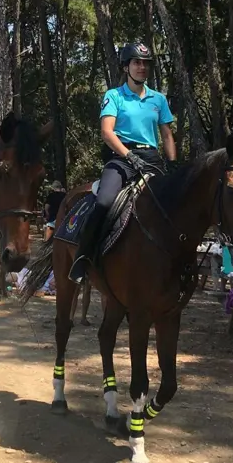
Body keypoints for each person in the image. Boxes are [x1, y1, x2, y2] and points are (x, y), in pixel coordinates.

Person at [69, 41, 176, 283]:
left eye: (146, 63)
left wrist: (173, 163)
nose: (142, 67)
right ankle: (83, 257)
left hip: (152, 159)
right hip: (122, 158)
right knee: (105, 201)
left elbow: (167, 135)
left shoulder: (158, 99)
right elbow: (107, 132)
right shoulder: (113, 96)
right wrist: (128, 156)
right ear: (126, 66)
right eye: (137, 63)